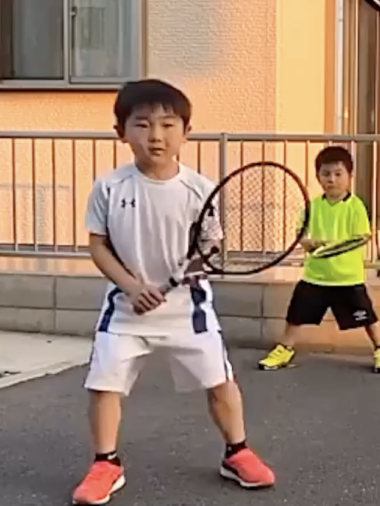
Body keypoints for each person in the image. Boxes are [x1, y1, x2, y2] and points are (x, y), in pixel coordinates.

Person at [72, 79, 275, 505]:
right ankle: (105, 463)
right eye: (142, 125)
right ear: (121, 133)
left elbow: (213, 246)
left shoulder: (200, 190)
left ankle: (236, 452)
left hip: (189, 311)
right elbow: (97, 245)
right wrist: (130, 285)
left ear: (186, 131)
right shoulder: (109, 187)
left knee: (220, 381)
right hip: (125, 311)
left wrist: (193, 268)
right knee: (103, 384)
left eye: (168, 124)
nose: (156, 135)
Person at [257, 146, 380, 374]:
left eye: (338, 174)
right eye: (326, 174)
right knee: (295, 317)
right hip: (315, 277)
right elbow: (301, 234)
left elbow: (361, 237)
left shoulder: (356, 206)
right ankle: (284, 350)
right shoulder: (313, 206)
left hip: (347, 279)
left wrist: (331, 248)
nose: (332, 179)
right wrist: (308, 243)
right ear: (318, 176)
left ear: (350, 176)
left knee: (368, 317)